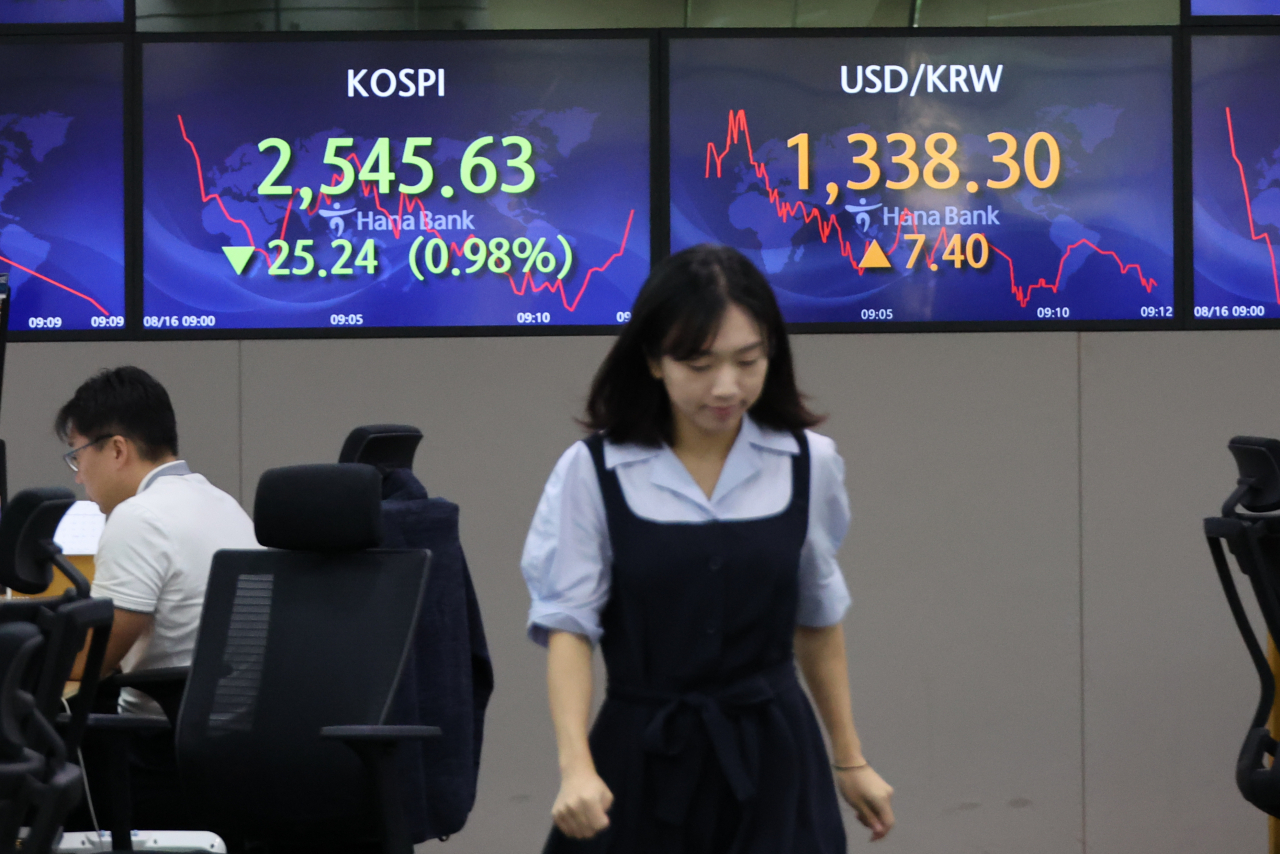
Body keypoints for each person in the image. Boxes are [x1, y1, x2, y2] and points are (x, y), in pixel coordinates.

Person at [521, 245, 895, 853]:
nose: (726, 387)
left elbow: (818, 616)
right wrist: (576, 768)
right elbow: (568, 625)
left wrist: (849, 760)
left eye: (748, 361)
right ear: (652, 361)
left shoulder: (809, 463)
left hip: (776, 757)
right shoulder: (595, 470)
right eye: (698, 364)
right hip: (643, 754)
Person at [55, 365, 259, 828]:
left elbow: (89, 663)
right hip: (232, 752)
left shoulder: (139, 518)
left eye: (77, 456)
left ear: (117, 449)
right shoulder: (219, 501)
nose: (78, 477)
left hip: (155, 757)